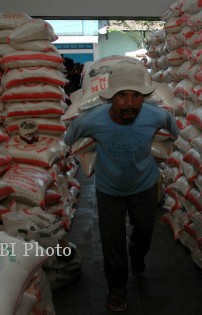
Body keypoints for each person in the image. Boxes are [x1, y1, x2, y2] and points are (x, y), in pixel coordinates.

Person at [64, 58, 179, 312]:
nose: (130, 103)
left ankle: (137, 258)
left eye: (136, 95)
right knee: (112, 242)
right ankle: (116, 288)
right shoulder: (92, 120)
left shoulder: (154, 115)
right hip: (109, 191)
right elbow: (70, 137)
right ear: (110, 97)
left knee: (145, 233)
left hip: (145, 186)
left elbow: (173, 130)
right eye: (122, 96)